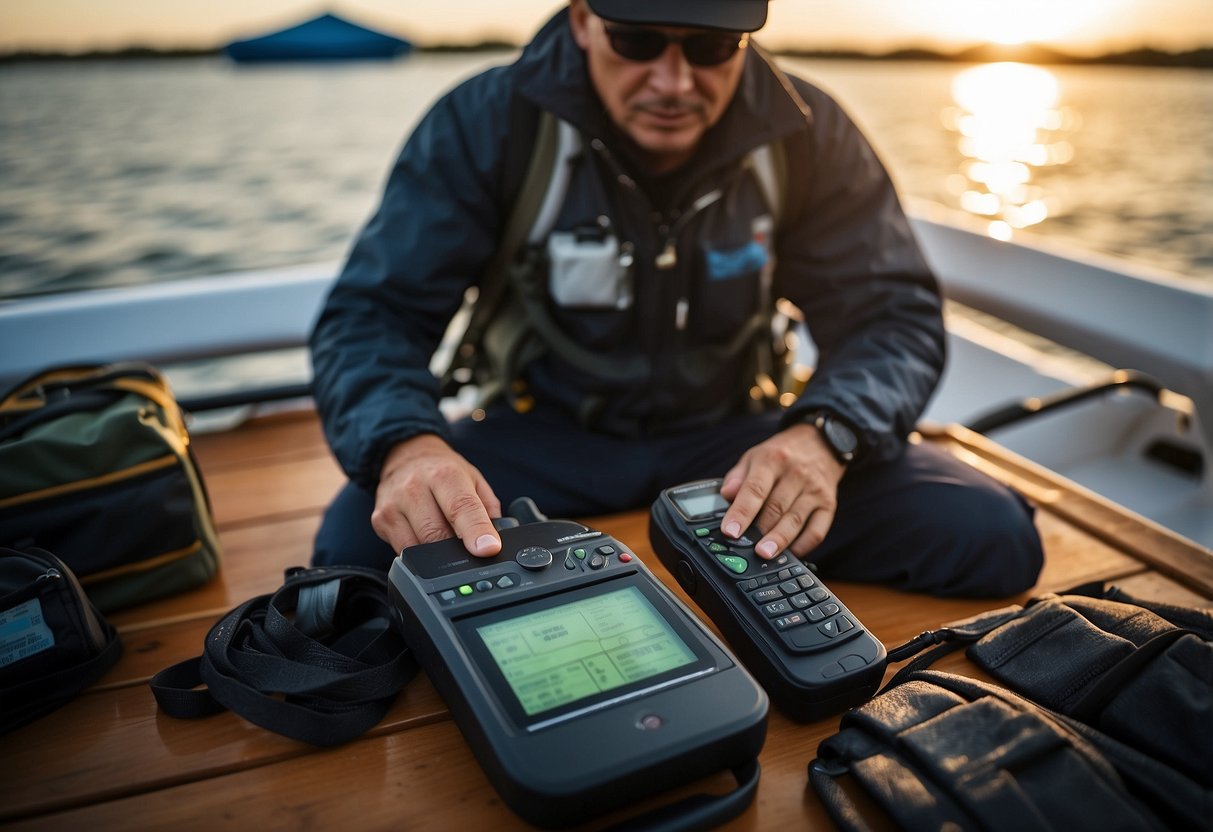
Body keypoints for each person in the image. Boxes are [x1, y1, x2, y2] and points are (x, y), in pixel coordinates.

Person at [308, 0, 1044, 597]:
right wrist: (406, 445)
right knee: (355, 556)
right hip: (541, 436)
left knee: (988, 535)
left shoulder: (806, 133)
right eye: (636, 40)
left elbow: (890, 313)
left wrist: (824, 435)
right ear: (580, 20)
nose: (673, 82)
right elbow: (373, 315)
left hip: (734, 447)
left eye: (709, 49)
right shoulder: (484, 123)